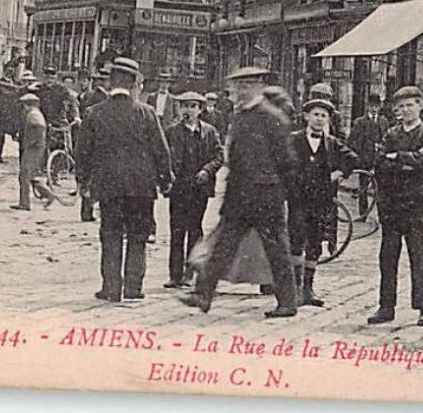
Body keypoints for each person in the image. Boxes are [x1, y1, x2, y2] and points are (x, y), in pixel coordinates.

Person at [184, 66, 299, 318]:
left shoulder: (273, 117)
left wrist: (281, 195)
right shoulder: (240, 116)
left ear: (258, 87)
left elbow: (287, 163)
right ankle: (203, 293)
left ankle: (288, 302)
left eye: (246, 86)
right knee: (223, 246)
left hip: (266, 198)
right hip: (240, 197)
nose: (240, 90)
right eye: (238, 86)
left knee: (276, 250)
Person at [76, 58, 173, 302]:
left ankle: (111, 288)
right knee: (138, 236)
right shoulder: (147, 113)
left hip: (108, 186)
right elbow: (161, 150)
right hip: (142, 187)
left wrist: (83, 181)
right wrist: (164, 180)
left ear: (111, 82)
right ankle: (133, 288)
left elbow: (82, 152)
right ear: (133, 84)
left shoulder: (94, 113)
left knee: (110, 234)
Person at [367, 85, 423, 327]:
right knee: (387, 256)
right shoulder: (391, 134)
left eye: (410, 105)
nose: (406, 110)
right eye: (401, 107)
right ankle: (386, 307)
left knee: (418, 255)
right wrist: (405, 162)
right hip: (391, 204)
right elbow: (379, 162)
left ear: (420, 106)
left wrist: (397, 158)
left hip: (415, 205)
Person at [287, 95, 358, 307]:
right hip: (298, 199)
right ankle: (296, 288)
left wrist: (338, 174)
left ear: (328, 120)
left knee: (316, 242)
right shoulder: (294, 139)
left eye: (324, 116)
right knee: (297, 239)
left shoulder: (332, 143)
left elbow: (354, 159)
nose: (319, 119)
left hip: (321, 200)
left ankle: (309, 289)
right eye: (316, 114)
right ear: (307, 116)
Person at [163, 92, 223, 290]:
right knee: (177, 230)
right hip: (179, 187)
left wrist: (207, 170)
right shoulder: (171, 131)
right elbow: (163, 156)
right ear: (179, 109)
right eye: (185, 106)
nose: (188, 110)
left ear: (200, 109)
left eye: (193, 106)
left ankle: (190, 273)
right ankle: (175, 275)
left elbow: (218, 155)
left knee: (195, 229)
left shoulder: (210, 132)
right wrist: (167, 177)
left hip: (199, 188)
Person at [77, 70, 110, 222]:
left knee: (89, 175)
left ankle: (87, 211)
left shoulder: (91, 96)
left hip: (90, 139)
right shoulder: (102, 97)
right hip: (98, 139)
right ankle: (90, 210)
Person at [348, 94, 387, 221]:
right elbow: (354, 142)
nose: (374, 109)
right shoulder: (360, 122)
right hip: (365, 159)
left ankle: (383, 216)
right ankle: (363, 214)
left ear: (380, 107)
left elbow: (387, 140)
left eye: (376, 106)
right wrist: (360, 157)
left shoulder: (383, 122)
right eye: (372, 106)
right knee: (363, 188)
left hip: (380, 160)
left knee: (381, 189)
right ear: (367, 106)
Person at [12, 92, 49, 211]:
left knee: (24, 175)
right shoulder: (34, 114)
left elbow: (39, 128)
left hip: (33, 148)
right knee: (30, 175)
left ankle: (25, 203)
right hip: (35, 148)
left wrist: (30, 142)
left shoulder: (33, 115)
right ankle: (47, 194)